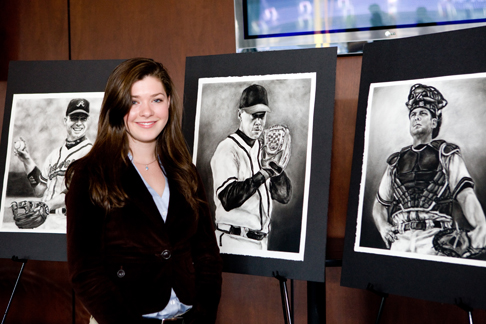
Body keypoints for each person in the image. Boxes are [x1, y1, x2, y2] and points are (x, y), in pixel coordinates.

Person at [65, 58, 222, 324]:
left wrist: (202, 317)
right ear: (117, 107)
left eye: (156, 100)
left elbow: (206, 254)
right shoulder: (90, 174)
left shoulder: (186, 170)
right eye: (134, 101)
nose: (146, 111)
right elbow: (85, 271)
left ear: (169, 103)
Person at [373, 83, 486, 255]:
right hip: (400, 239)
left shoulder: (446, 154)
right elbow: (380, 205)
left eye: (423, 113)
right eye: (413, 114)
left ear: (434, 122)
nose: (416, 118)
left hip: (436, 238)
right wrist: (383, 227)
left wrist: (480, 229)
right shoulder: (395, 162)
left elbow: (466, 196)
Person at [210, 84, 292, 250]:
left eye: (261, 116)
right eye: (253, 115)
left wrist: (278, 172)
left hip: (261, 241)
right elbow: (228, 198)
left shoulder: (263, 150)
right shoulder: (227, 148)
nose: (258, 122)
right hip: (233, 239)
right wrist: (262, 174)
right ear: (240, 114)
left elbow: (284, 197)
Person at [13, 98, 92, 225]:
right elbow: (39, 190)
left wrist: (45, 206)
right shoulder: (53, 155)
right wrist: (27, 161)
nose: (78, 123)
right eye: (74, 118)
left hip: (69, 219)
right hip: (45, 218)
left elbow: (76, 191)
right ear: (65, 121)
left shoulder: (90, 153)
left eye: (83, 119)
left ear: (87, 122)